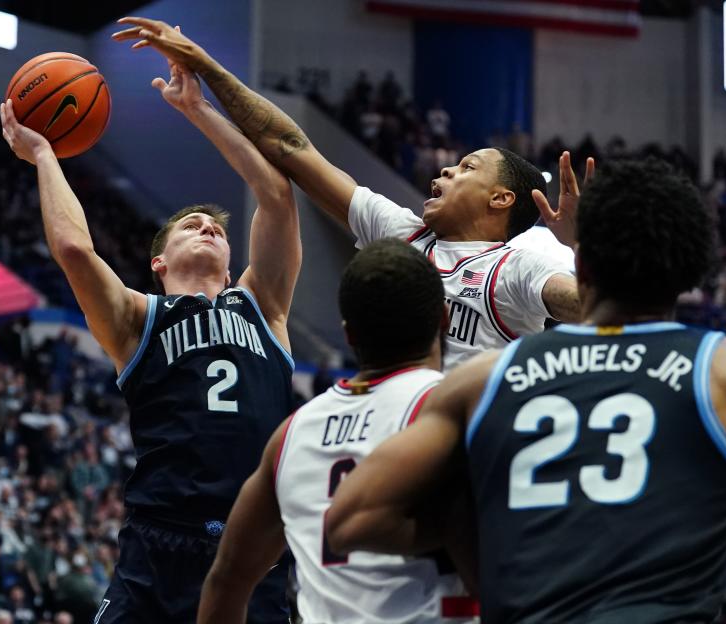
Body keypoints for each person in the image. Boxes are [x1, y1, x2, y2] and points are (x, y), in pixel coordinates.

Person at [325, 160, 726, 621]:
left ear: (580, 262)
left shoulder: (485, 380)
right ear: (691, 274)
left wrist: (488, 547)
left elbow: (351, 520)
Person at [0, 51, 301, 623]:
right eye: (192, 224)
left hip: (253, 548)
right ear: (159, 262)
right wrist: (42, 153)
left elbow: (277, 195)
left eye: (216, 227)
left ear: (234, 260)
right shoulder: (138, 318)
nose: (209, 226)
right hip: (159, 544)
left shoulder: (265, 306)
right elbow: (72, 249)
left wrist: (198, 109)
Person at [112, 18, 584, 370]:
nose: (445, 167)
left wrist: (582, 248)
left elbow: (590, 306)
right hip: (389, 438)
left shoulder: (517, 268)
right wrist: (208, 67)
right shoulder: (404, 232)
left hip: (463, 459)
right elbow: (291, 147)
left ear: (500, 199)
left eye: (467, 167)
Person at [197, 239, 473, 624]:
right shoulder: (453, 409)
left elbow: (226, 581)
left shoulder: (292, 433)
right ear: (443, 318)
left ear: (349, 334)